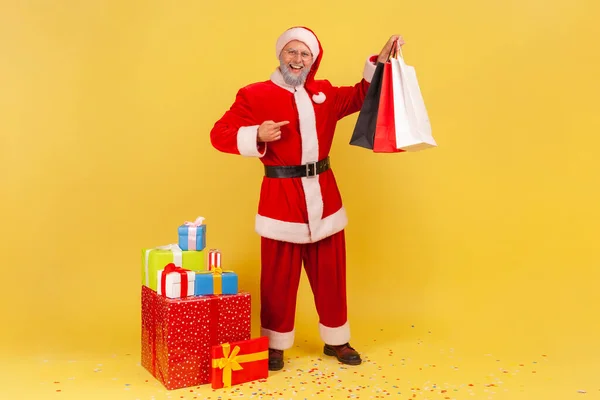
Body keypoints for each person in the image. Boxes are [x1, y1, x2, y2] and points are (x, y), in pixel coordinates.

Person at [210, 26, 404, 371]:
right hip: (280, 198)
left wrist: (381, 60)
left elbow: (363, 94)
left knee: (331, 273)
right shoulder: (254, 95)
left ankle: (337, 339)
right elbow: (219, 134)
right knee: (277, 277)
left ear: (313, 61)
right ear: (280, 54)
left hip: (325, 197)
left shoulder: (325, 94)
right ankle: (274, 343)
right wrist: (257, 133)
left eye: (305, 54)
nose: (297, 60)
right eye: (291, 52)